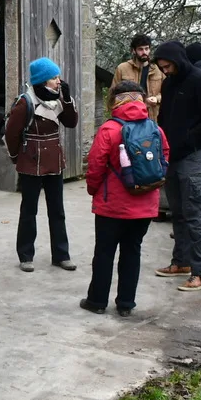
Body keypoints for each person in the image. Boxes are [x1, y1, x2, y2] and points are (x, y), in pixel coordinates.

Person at [80, 82, 170, 317]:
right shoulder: (155, 129)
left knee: (104, 252)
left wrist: (93, 191)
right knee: (132, 251)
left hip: (112, 205)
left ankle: (97, 301)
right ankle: (126, 304)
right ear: (140, 100)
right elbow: (165, 159)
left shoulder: (109, 129)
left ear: (114, 101)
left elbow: (96, 166)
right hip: (145, 205)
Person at [152, 41, 201, 292]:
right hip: (172, 155)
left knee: (194, 213)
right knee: (178, 211)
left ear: (178, 60)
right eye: (161, 68)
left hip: (194, 155)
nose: (165, 71)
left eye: (167, 66)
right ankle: (181, 262)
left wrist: (188, 139)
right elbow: (164, 116)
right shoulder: (170, 82)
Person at [4, 57, 79, 273]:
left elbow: (71, 122)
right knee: (29, 211)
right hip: (31, 162)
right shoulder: (25, 102)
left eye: (57, 76)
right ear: (43, 80)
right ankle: (26, 256)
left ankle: (61, 256)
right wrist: (17, 158)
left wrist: (66, 98)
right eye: (54, 77)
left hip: (54, 160)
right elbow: (11, 134)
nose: (58, 81)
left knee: (58, 211)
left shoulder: (58, 98)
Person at [112, 34, 163, 120]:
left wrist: (157, 98)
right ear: (134, 51)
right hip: (129, 117)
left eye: (147, 49)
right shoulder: (122, 68)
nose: (144, 52)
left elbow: (168, 91)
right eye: (140, 49)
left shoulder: (159, 68)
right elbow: (113, 94)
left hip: (154, 117)